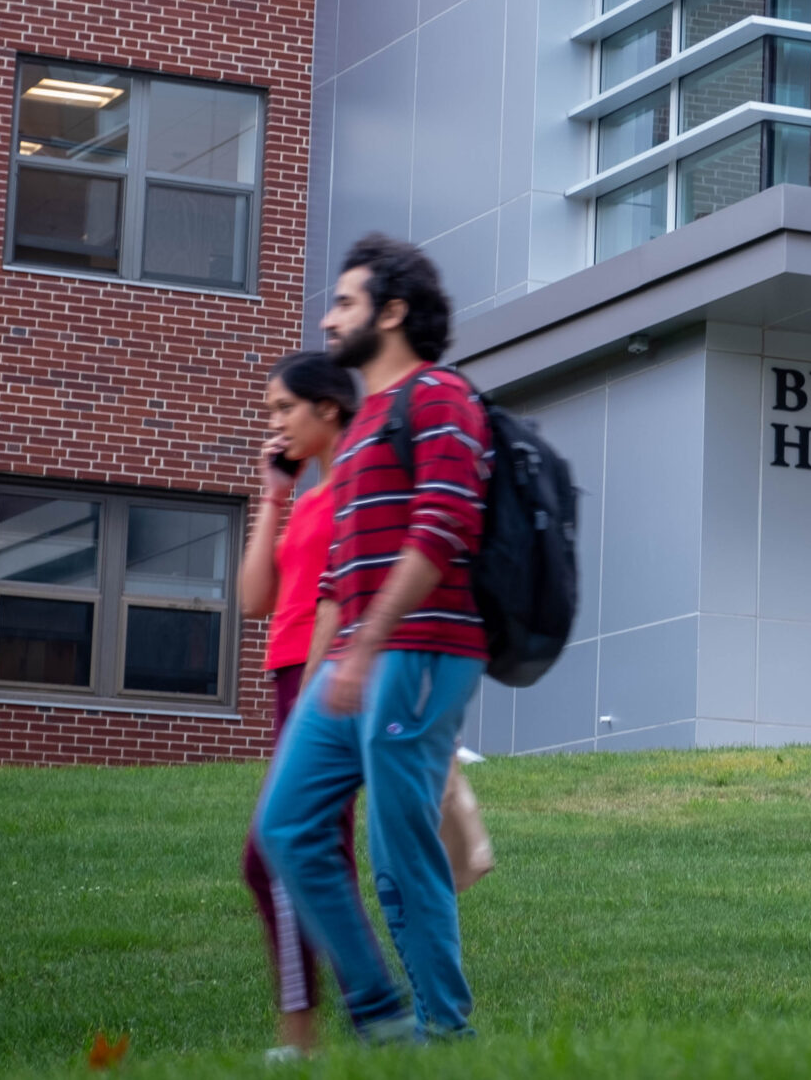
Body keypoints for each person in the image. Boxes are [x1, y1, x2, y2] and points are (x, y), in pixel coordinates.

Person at [253, 234, 493, 1045]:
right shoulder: (357, 435)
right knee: (285, 825)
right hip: (356, 661)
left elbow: (445, 525)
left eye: (345, 301)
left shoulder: (440, 397)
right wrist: (328, 671)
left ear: (391, 312)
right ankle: (380, 1014)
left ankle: (444, 1030)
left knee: (398, 849)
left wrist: (366, 649)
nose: (328, 318)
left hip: (422, 652)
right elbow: (334, 582)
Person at [236, 350, 359, 1060]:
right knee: (306, 853)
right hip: (290, 681)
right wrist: (272, 496)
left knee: (279, 852)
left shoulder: (356, 492)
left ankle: (309, 1033)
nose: (275, 424)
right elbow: (257, 599)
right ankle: (363, 1016)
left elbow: (337, 606)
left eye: (284, 408)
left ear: (329, 408)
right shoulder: (309, 500)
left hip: (321, 684)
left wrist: (315, 698)